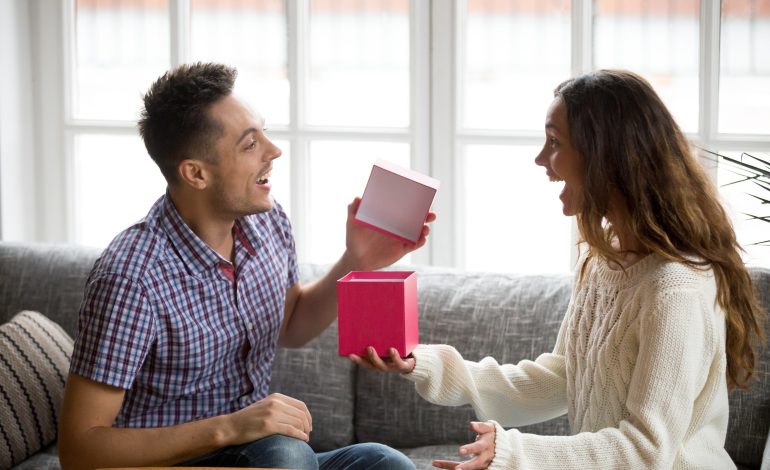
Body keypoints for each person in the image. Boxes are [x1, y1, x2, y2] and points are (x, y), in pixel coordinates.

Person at [351, 69, 766, 469]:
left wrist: (514, 453)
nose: (540, 159)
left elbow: (646, 451)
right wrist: (424, 362)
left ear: (606, 156)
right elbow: (561, 378)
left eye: (554, 142)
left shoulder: (676, 290)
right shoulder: (602, 261)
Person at [58, 62, 432, 470]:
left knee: (384, 463)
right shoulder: (131, 279)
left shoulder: (266, 222)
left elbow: (290, 325)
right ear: (196, 173)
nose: (274, 151)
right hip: (173, 462)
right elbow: (81, 450)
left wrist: (355, 262)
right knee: (285, 455)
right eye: (250, 145)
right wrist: (230, 428)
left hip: (255, 457)